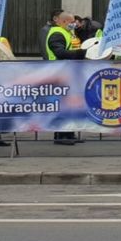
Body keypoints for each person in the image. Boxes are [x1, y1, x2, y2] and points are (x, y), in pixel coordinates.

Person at [45, 9, 87, 145]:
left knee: (70, 105)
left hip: (68, 72)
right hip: (59, 73)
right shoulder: (57, 33)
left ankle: (69, 133)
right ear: (63, 21)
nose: (74, 23)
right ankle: (61, 135)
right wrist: (82, 53)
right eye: (72, 21)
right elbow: (60, 52)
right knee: (62, 105)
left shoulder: (68, 32)